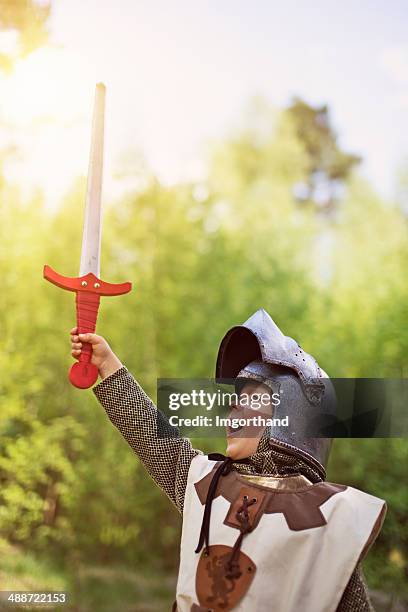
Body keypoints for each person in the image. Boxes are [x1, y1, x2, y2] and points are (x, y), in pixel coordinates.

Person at [70, 308, 386, 612]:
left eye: (248, 400)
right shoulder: (208, 484)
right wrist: (107, 364)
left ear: (289, 418)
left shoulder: (330, 524)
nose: (232, 409)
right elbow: (149, 432)